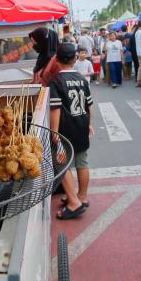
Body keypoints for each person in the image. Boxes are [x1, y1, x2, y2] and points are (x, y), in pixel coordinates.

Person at [51, 43, 94, 220]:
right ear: (75, 59)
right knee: (82, 162)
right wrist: (89, 124)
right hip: (82, 125)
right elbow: (89, 105)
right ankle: (82, 197)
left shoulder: (56, 81)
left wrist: (54, 132)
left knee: (62, 164)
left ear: (56, 59)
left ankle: (74, 203)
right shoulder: (82, 79)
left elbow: (55, 109)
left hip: (65, 130)